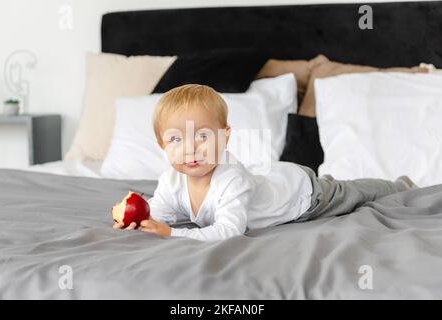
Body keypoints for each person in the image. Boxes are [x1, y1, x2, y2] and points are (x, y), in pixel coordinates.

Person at [113, 84, 417, 241]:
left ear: (225, 136)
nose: (190, 149)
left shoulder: (230, 180)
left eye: (202, 136)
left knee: (349, 192)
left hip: (300, 194)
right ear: (162, 146)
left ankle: (398, 184)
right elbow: (158, 211)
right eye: (176, 140)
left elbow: (229, 230)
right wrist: (134, 215)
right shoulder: (171, 181)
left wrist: (173, 234)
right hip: (264, 178)